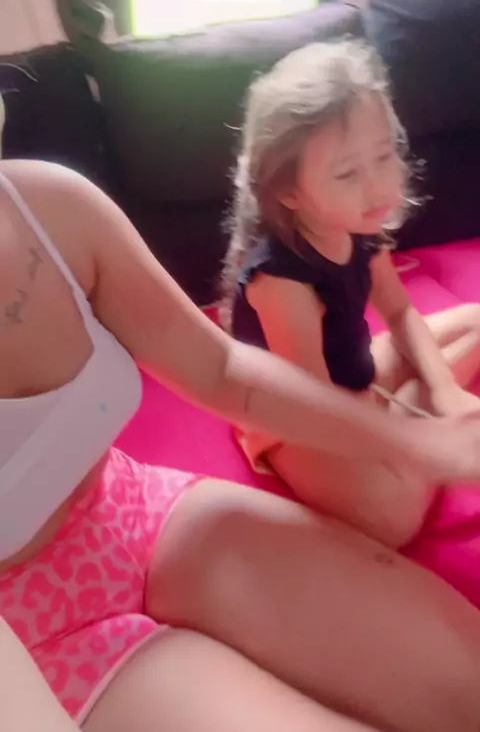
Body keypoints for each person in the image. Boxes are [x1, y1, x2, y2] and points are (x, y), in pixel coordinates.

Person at [3, 116, 480, 731]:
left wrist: (412, 443)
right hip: (28, 633)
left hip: (127, 512)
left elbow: (222, 368)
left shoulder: (49, 206)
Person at [224, 39, 480, 547]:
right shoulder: (281, 281)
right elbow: (313, 403)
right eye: (347, 173)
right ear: (289, 192)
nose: (379, 186)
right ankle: (415, 412)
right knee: (391, 518)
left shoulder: (359, 224)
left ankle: (421, 404)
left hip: (351, 378)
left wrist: (445, 391)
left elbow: (399, 312)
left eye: (384, 156)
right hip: (296, 417)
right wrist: (417, 438)